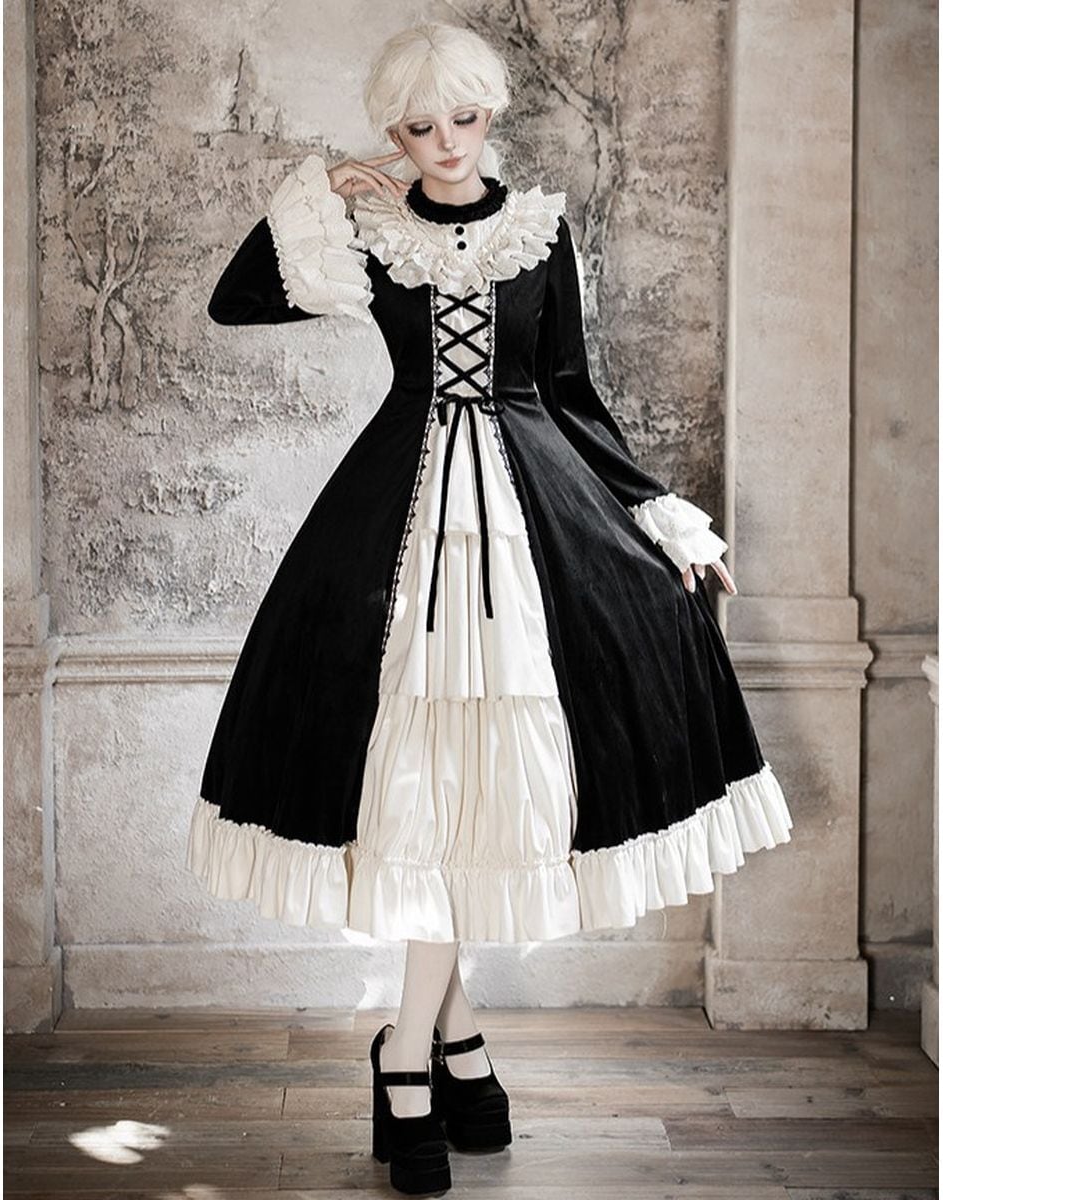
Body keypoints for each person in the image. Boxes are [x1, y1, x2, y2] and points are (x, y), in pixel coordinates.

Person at [187, 20, 793, 1196]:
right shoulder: (374, 231)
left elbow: (570, 395)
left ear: (490, 113)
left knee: (467, 802)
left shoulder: (541, 232)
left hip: (532, 521)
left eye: (463, 120)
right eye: (419, 128)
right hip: (394, 524)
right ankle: (433, 1049)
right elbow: (236, 300)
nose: (446, 144)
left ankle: (421, 1046)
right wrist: (324, 188)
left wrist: (661, 520)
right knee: (422, 798)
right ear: (395, 133)